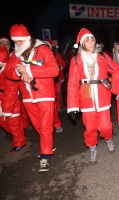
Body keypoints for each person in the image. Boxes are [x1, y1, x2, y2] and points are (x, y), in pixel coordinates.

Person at [4, 24, 59, 172]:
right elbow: (8, 73)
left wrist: (29, 69)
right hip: (28, 96)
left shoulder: (42, 49)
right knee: (38, 126)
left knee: (46, 126)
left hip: (45, 94)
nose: (18, 44)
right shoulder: (16, 54)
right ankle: (48, 142)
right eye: (16, 41)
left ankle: (45, 155)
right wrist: (20, 72)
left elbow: (54, 70)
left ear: (27, 38)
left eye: (21, 40)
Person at [67, 28, 119, 163]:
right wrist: (72, 105)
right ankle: (92, 147)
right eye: (87, 40)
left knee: (106, 126)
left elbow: (116, 69)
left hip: (102, 94)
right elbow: (72, 82)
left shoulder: (102, 56)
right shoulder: (76, 60)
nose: (90, 42)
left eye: (92, 39)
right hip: (85, 94)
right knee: (90, 127)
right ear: (82, 43)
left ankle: (108, 138)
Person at [0, 46, 27, 153]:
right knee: (3, 122)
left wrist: (7, 110)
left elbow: (10, 92)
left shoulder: (8, 72)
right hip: (3, 100)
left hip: (12, 100)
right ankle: (20, 133)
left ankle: (19, 142)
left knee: (14, 123)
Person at [44, 39, 65, 134]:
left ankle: (57, 123)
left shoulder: (56, 54)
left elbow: (63, 64)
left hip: (57, 78)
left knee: (56, 94)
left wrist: (59, 66)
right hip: (43, 83)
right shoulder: (39, 55)